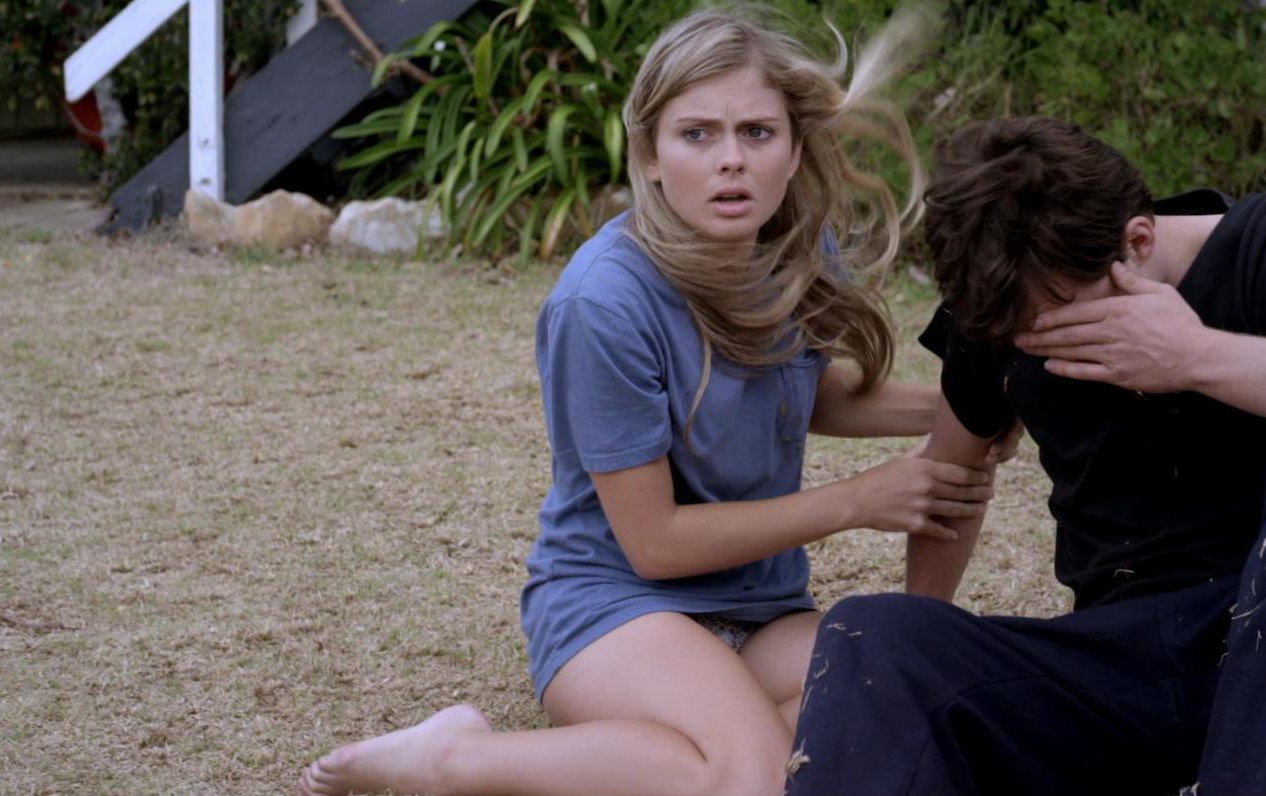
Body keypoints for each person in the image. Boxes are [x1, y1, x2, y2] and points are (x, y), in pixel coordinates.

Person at [298, 8, 1006, 796]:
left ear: (795, 149)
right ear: (650, 155)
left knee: (901, 695)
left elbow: (803, 392)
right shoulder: (604, 302)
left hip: (761, 609)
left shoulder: (793, 251)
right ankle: (451, 759)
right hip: (615, 608)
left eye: (757, 133)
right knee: (757, 777)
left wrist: (966, 405)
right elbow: (655, 544)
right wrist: (857, 501)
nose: (731, 160)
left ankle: (670, 747)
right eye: (697, 134)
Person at [786, 116, 1266, 796]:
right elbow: (950, 477)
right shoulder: (1007, 298)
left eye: (1062, 319)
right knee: (873, 634)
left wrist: (1194, 356)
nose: (1041, 341)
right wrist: (916, 679)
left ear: (1137, 242)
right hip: (1129, 670)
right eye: (1020, 334)